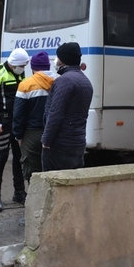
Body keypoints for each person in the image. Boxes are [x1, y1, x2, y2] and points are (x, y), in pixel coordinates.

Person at [0, 48, 29, 212]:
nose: (24, 67)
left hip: (17, 123)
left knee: (19, 159)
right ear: (14, 63)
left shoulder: (20, 73)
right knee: (1, 158)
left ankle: (19, 192)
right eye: (22, 65)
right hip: (2, 123)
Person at [41, 43, 93, 171]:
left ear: (63, 60)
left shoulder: (65, 81)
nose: (56, 60)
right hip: (78, 142)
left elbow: (55, 114)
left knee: (53, 184)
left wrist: (46, 141)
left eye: (58, 57)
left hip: (61, 144)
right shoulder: (86, 81)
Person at [13, 51, 57, 183]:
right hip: (54, 135)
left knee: (33, 175)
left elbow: (18, 114)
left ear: (32, 68)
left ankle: (36, 202)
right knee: (52, 173)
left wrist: (18, 136)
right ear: (48, 66)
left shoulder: (26, 85)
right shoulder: (59, 82)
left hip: (31, 135)